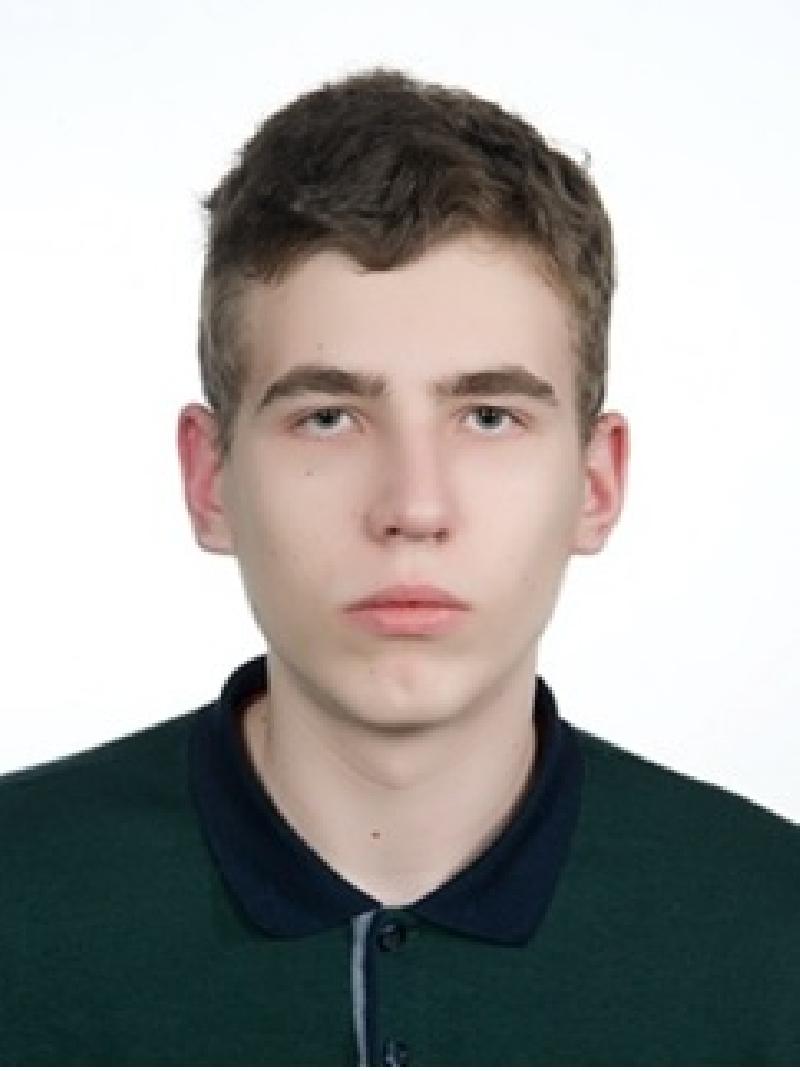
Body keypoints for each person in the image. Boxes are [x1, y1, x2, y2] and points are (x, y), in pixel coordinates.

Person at [1, 66, 797, 1068]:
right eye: (328, 418)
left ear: (595, 484)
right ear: (210, 480)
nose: (413, 508)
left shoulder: (776, 930)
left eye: (488, 417)